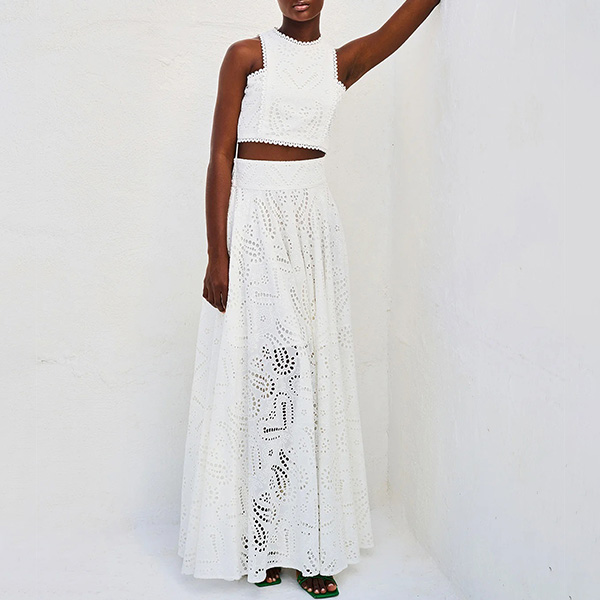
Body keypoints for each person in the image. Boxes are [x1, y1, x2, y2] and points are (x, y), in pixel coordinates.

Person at [178, 0, 440, 597]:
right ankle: (263, 539)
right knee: (261, 375)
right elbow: (220, 154)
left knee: (309, 378)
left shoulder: (340, 63)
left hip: (311, 228)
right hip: (253, 225)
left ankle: (313, 541)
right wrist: (217, 253)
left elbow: (400, 24)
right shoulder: (246, 56)